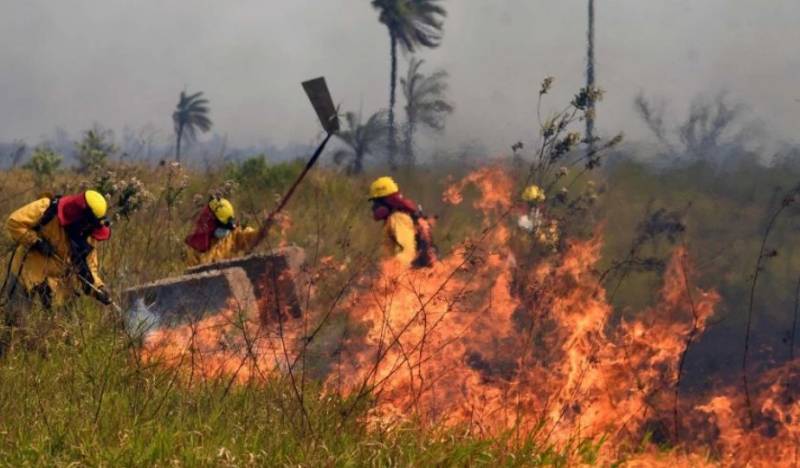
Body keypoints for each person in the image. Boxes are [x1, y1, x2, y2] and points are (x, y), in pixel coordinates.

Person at [1, 190, 113, 351]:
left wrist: (99, 289)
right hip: (26, 273)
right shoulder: (46, 208)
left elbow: (90, 269)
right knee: (15, 326)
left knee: (64, 331)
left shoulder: (88, 237)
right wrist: (36, 242)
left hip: (57, 284)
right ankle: (7, 359)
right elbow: (14, 222)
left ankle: (47, 359)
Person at [369, 176, 436, 268]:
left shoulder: (397, 218)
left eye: (376, 202)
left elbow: (407, 250)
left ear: (387, 200)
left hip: (407, 275)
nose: (374, 207)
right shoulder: (396, 217)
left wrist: (394, 273)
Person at [184, 196, 263, 267]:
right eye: (222, 226)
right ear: (211, 222)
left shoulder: (232, 235)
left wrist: (266, 227)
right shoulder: (194, 247)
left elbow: (253, 236)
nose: (226, 230)